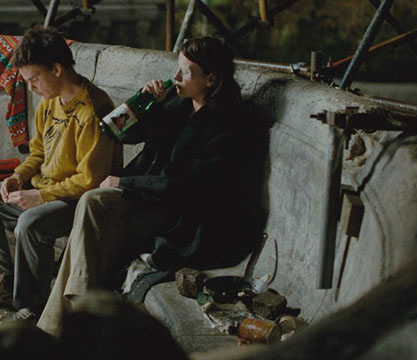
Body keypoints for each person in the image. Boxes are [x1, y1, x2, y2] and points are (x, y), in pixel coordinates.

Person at [37, 37, 262, 336]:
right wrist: (143, 100)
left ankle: (62, 323)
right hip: (151, 196)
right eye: (177, 69)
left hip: (186, 214)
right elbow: (115, 130)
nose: (177, 77)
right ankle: (67, 320)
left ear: (211, 79)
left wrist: (125, 181)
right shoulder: (179, 101)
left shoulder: (225, 123)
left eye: (187, 72)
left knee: (93, 206)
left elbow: (184, 185)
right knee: (91, 213)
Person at [0, 26, 122, 321]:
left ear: (57, 69)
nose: (31, 87)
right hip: (44, 188)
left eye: (34, 79)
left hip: (79, 201)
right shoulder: (49, 102)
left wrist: (40, 196)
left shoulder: (93, 110)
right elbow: (37, 152)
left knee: (30, 224)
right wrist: (19, 177)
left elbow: (91, 180)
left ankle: (31, 304)